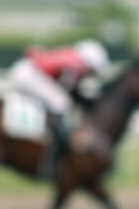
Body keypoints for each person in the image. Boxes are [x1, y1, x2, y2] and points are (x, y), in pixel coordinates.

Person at [6, 38, 112, 176]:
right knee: (60, 102)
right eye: (92, 70)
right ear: (89, 63)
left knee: (60, 101)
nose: (91, 74)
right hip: (27, 75)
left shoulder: (73, 57)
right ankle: (62, 151)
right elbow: (66, 90)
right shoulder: (76, 65)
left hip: (24, 70)